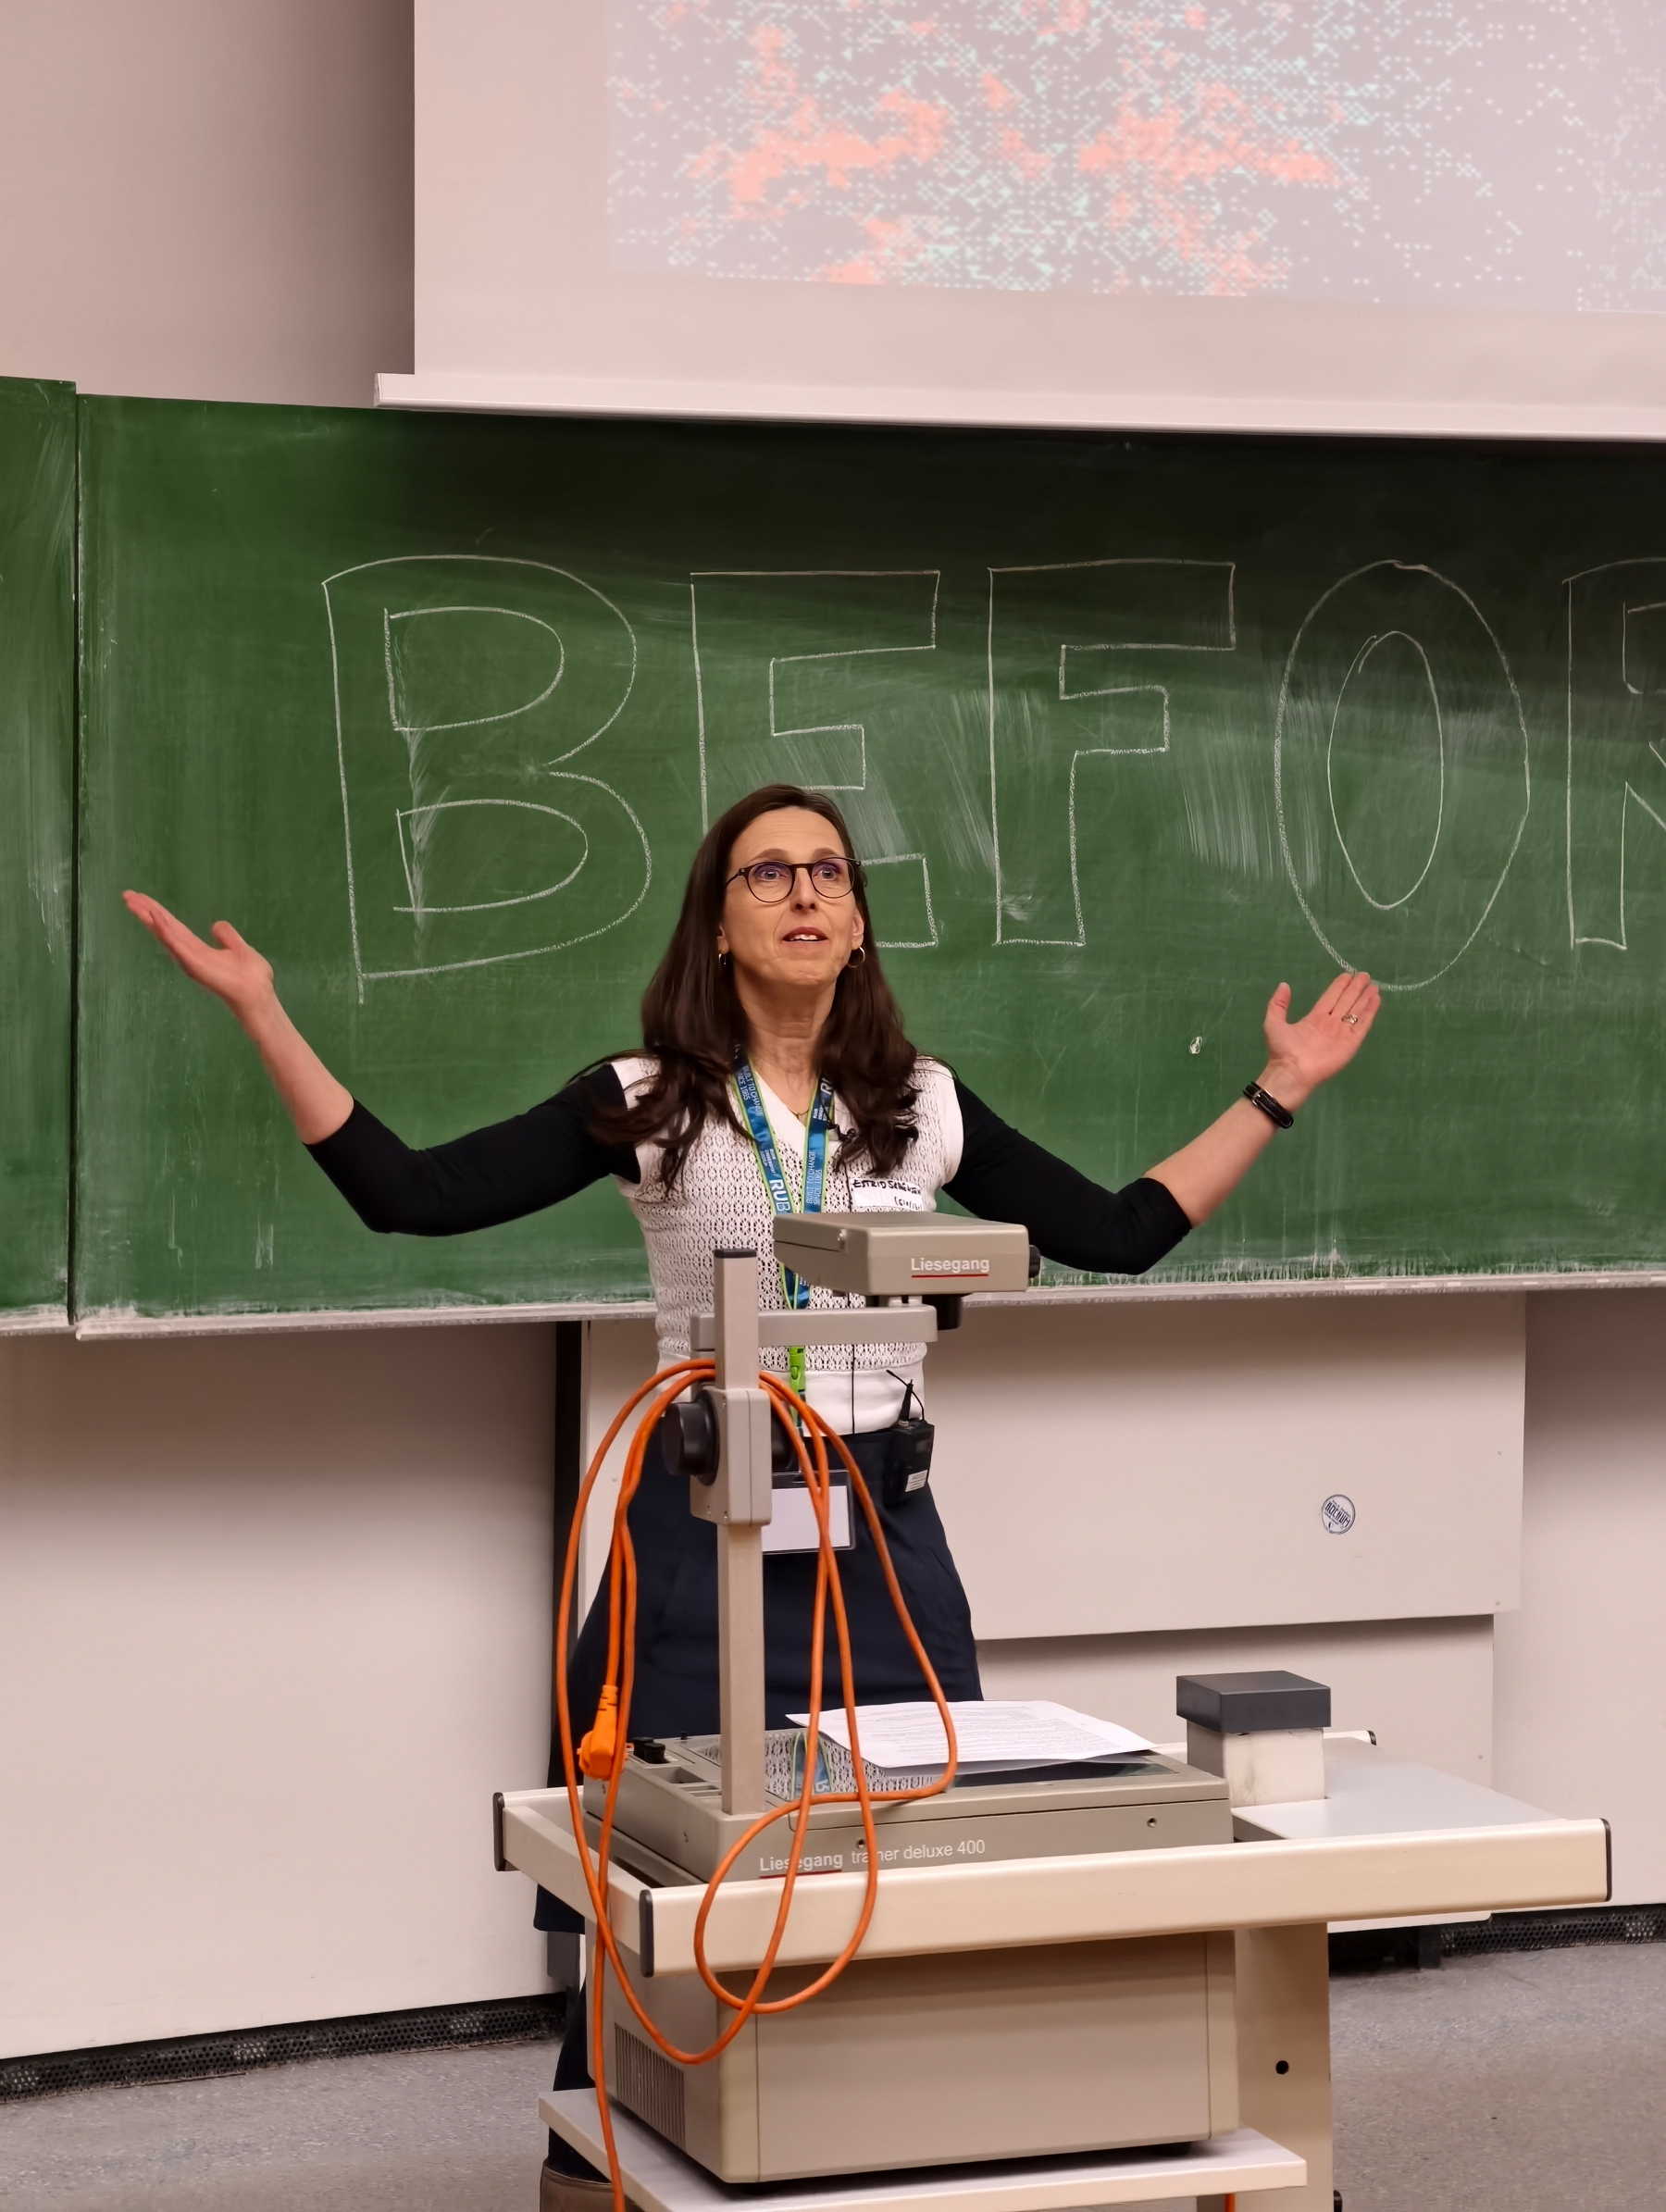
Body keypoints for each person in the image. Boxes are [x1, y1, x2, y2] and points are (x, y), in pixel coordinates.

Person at [125, 780, 1379, 2210]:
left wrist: (1277, 1088)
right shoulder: (649, 1098)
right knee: (664, 1867)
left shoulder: (923, 1104)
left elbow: (1118, 1231)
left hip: (883, 1536)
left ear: (858, 922)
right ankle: (589, 2168)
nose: (803, 893)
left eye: (828, 872)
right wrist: (264, 1011)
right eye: (767, 872)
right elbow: (410, 1192)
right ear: (719, 923)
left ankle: (902, 2144)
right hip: (702, 1529)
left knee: (930, 1843)